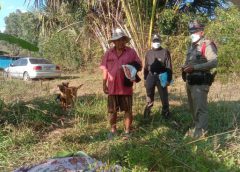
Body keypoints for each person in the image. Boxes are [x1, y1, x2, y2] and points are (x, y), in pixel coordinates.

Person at [100, 28, 142, 139]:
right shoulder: (108, 53)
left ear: (125, 40)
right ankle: (113, 130)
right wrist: (104, 84)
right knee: (112, 111)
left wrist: (132, 67)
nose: (120, 42)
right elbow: (105, 69)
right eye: (117, 40)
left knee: (128, 110)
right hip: (112, 87)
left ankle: (127, 131)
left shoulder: (131, 52)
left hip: (126, 87)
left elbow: (139, 65)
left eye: (122, 40)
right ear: (113, 42)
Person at [182, 20, 218, 138]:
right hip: (190, 81)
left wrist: (195, 67)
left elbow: (214, 62)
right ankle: (197, 128)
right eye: (191, 31)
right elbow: (189, 63)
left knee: (200, 109)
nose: (192, 33)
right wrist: (185, 67)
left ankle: (201, 134)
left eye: (195, 31)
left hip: (200, 82)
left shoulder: (206, 44)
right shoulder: (191, 47)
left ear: (201, 32)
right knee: (193, 108)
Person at [143, 34, 173, 119]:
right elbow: (145, 67)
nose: (156, 42)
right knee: (149, 95)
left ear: (160, 41)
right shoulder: (148, 53)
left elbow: (169, 66)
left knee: (164, 96)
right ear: (152, 42)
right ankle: (147, 112)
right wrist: (145, 78)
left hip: (162, 76)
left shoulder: (165, 52)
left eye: (158, 41)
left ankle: (166, 113)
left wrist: (169, 79)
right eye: (154, 41)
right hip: (150, 76)